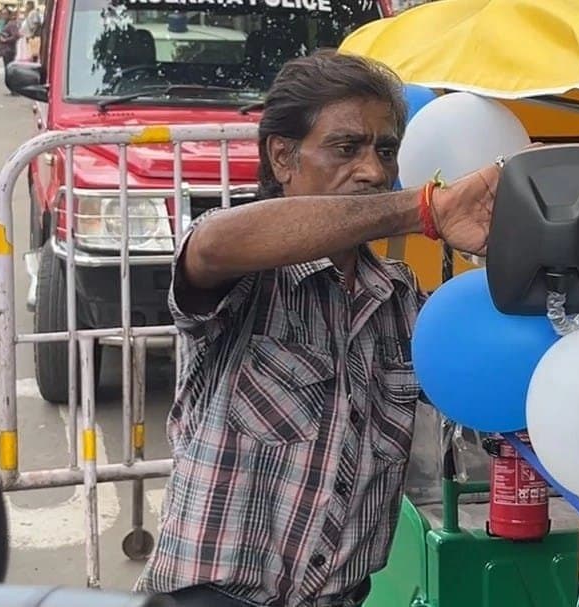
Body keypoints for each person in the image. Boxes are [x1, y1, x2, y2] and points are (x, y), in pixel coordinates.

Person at [134, 50, 502, 607]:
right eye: (346, 148)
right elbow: (210, 246)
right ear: (282, 157)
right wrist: (424, 210)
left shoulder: (398, 299)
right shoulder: (246, 268)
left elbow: (477, 387)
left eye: (385, 151)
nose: (374, 171)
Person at [0, 9, 20, 89]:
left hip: (9, 50)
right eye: (2, 14)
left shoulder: (11, 24)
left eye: (5, 14)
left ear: (9, 15)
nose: (3, 16)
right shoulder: (4, 24)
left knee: (9, 70)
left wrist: (6, 40)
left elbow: (16, 36)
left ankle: (13, 88)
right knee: (7, 69)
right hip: (5, 50)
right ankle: (11, 88)